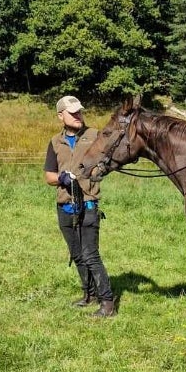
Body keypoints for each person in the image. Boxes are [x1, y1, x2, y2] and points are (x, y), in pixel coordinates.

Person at [43, 94, 116, 317]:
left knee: (90, 254)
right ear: (60, 116)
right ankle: (90, 294)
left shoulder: (95, 136)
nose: (78, 116)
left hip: (88, 204)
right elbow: (48, 175)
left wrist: (96, 172)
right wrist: (61, 179)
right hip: (65, 206)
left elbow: (110, 161)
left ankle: (107, 302)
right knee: (77, 254)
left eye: (79, 112)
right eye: (72, 113)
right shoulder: (56, 142)